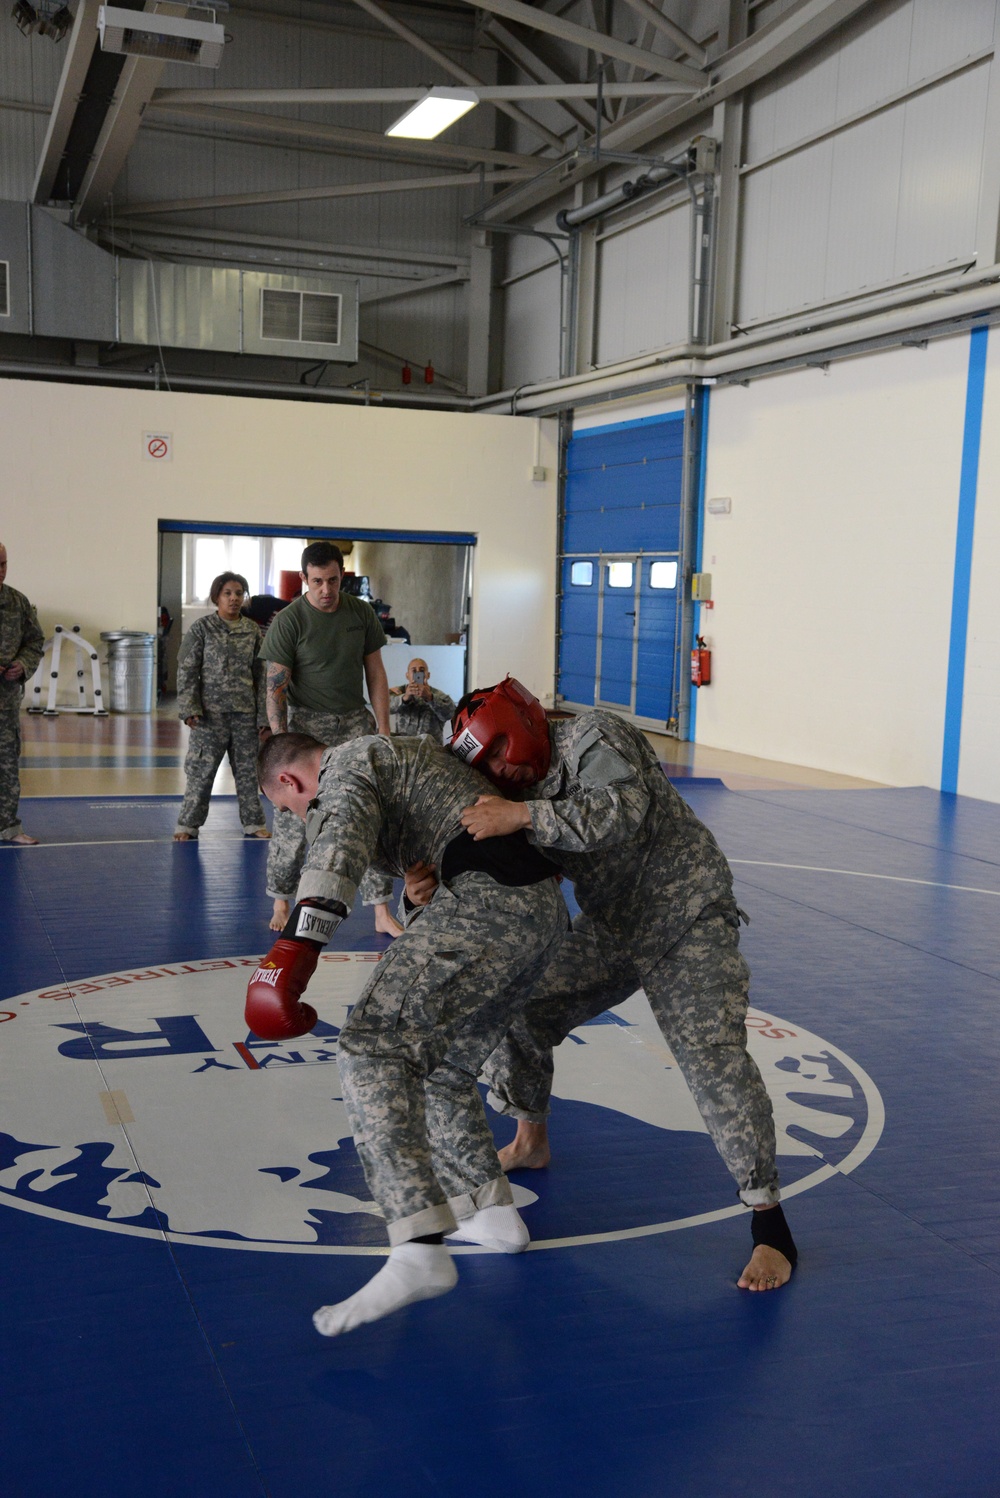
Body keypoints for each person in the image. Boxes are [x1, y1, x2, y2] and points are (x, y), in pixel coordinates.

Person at [441, 677, 798, 1294]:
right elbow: (516, 874)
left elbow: (618, 813)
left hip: (686, 912)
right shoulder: (520, 795)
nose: (502, 767)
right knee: (521, 1001)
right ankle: (531, 1139)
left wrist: (522, 815)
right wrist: (431, 883)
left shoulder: (593, 736)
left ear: (521, 723)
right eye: (489, 764)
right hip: (616, 924)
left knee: (711, 1057)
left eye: (499, 750)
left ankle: (771, 1226)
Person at [247, 730, 566, 1337]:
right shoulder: (398, 761)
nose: (302, 815)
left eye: (291, 808)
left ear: (289, 782)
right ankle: (490, 1212)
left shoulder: (349, 763)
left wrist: (297, 946)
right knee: (440, 1067)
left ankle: (418, 1243)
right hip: (537, 916)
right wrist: (419, 892)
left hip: (495, 906)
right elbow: (444, 849)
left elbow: (337, 834)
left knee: (371, 1044)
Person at [259, 541, 401, 937]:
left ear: (343, 577)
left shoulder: (360, 614)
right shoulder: (290, 621)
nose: (326, 590)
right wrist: (281, 742)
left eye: (333, 581)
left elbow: (375, 673)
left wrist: (384, 729)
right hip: (306, 728)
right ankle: (282, 898)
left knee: (372, 812)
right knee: (293, 818)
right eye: (317, 581)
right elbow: (275, 687)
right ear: (304, 579)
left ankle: (380, 908)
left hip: (354, 723)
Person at [173, 572, 271, 842]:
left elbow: (261, 675)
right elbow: (187, 669)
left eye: (239, 593)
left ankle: (253, 823)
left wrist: (263, 716)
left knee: (249, 772)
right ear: (216, 596)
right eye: (227, 593)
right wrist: (189, 707)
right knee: (201, 772)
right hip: (209, 716)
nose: (234, 598)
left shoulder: (252, 631)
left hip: (245, 715)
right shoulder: (202, 628)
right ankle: (187, 825)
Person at [0, 542, 45, 846]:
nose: (0, 571)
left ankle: (8, 828)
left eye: (3, 564)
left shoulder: (17, 602)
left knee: (7, 766)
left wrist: (22, 664)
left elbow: (35, 641)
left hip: (5, 701)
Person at [389, 657, 456, 743]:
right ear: (407, 675)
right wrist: (404, 698)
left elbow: (450, 714)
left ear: (428, 675)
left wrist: (430, 698)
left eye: (421, 670)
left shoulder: (439, 695)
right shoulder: (398, 692)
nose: (418, 673)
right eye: (414, 670)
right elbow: (385, 708)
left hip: (430, 748)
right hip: (405, 747)